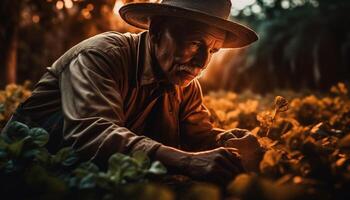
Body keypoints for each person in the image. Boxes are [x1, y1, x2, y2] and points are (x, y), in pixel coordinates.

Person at [3, 0, 262, 184]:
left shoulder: (185, 83)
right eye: (195, 43)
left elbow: (196, 136)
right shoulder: (101, 56)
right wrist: (188, 162)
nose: (202, 61)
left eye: (213, 51)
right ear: (157, 31)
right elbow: (92, 134)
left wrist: (225, 142)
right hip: (25, 171)